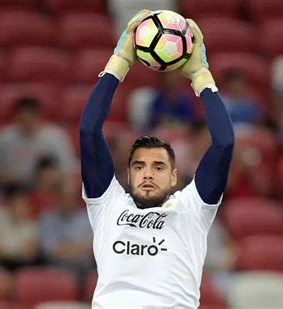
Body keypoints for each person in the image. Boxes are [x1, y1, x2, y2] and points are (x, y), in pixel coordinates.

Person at [79, 10, 235, 308]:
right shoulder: (107, 204)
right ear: (128, 173)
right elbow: (89, 130)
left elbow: (224, 142)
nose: (148, 173)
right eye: (139, 166)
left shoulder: (193, 209)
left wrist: (200, 75)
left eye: (158, 166)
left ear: (174, 176)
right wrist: (120, 60)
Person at [0, 97, 76, 186]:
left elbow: (67, 168)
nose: (26, 120)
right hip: (13, 188)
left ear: (38, 115)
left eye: (29, 116)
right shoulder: (4, 139)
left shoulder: (55, 137)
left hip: (46, 186)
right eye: (22, 116)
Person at [0, 183, 37, 272]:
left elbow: (30, 253)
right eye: (18, 203)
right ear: (9, 203)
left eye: (24, 203)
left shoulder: (30, 225)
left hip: (19, 265)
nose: (22, 207)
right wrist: (19, 250)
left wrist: (11, 252)